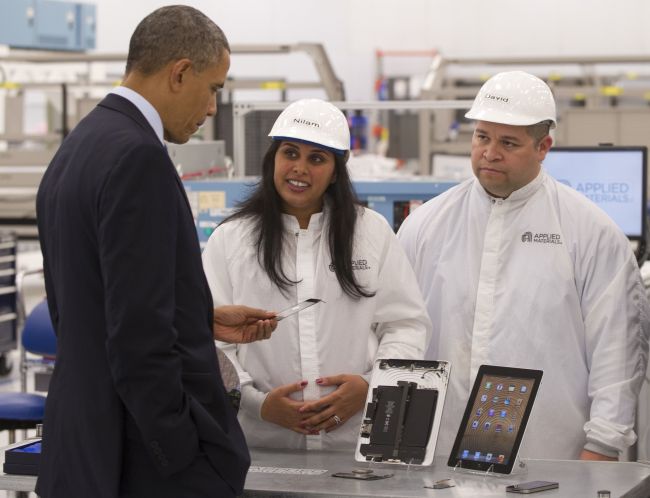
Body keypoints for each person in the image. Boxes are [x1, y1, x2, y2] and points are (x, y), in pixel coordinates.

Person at [35, 6, 276, 497]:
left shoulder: (78, 146)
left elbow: (84, 307)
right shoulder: (138, 158)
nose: (212, 109)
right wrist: (182, 450)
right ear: (180, 72)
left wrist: (198, 317)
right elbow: (137, 338)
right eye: (214, 89)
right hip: (139, 460)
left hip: (81, 445)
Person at [398, 70, 649, 461]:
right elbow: (398, 333)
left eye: (508, 142)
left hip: (551, 456)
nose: (490, 152)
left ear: (543, 146)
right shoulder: (425, 226)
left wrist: (602, 447)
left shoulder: (591, 233)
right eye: (482, 137)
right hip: (439, 453)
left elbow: (616, 350)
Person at [202, 98, 431, 450]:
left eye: (317, 158)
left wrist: (371, 386)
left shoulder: (371, 233)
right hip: (262, 445)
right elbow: (211, 341)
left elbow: (406, 324)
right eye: (290, 153)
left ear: (336, 170)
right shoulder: (232, 240)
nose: (300, 169)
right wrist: (258, 404)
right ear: (273, 159)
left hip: (354, 445)